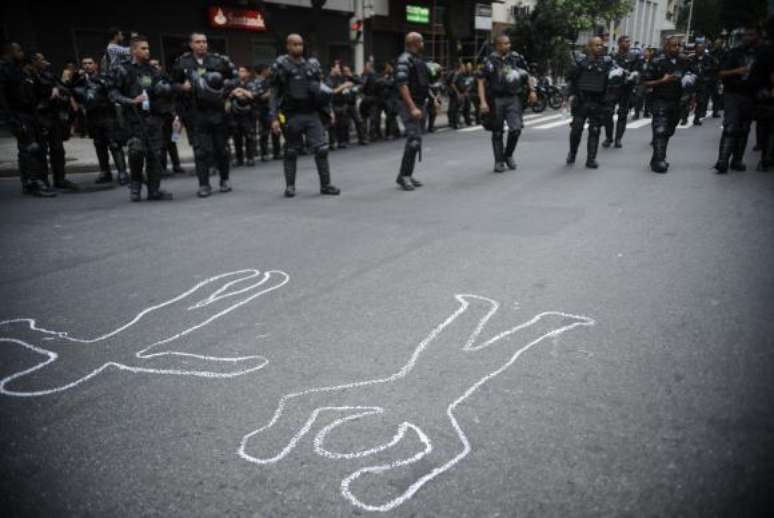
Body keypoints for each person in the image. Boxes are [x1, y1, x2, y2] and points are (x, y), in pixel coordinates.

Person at [269, 33, 340, 198]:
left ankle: (326, 185)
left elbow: (320, 90)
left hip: (312, 113)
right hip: (291, 114)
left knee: (321, 149)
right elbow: (274, 94)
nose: (298, 47)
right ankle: (290, 186)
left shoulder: (311, 65)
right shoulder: (281, 65)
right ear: (288, 46)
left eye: (300, 44)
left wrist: (329, 109)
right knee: (291, 151)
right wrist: (273, 118)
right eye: (294, 44)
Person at [172, 32, 237, 197]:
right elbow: (172, 84)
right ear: (191, 44)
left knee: (221, 149)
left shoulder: (218, 60)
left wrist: (223, 86)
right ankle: (204, 184)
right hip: (196, 113)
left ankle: (224, 179)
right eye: (198, 42)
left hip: (217, 111)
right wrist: (181, 87)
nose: (202, 45)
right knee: (201, 151)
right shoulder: (182, 62)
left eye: (204, 42)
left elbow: (235, 79)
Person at [109, 35, 173, 201]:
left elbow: (165, 91)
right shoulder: (121, 69)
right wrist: (131, 101)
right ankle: (135, 186)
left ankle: (154, 190)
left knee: (155, 154)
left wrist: (165, 91)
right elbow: (113, 93)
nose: (147, 51)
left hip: (153, 119)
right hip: (133, 119)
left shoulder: (153, 71)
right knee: (136, 151)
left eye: (148, 48)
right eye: (143, 48)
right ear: (133, 50)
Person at [0, 41, 55, 197]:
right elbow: (3, 97)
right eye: (19, 51)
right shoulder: (4, 69)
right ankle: (31, 183)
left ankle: (40, 180)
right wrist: (11, 119)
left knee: (40, 148)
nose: (22, 53)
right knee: (28, 149)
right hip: (18, 114)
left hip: (31, 113)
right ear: (9, 51)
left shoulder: (21, 70)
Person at [478, 34, 535, 173]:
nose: (507, 46)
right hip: (495, 99)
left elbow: (527, 74)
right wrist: (483, 102)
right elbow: (480, 81)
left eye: (509, 43)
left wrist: (533, 90)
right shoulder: (488, 60)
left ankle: (508, 154)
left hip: (513, 98)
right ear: (497, 45)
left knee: (516, 129)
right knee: (497, 132)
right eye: (504, 44)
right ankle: (499, 161)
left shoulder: (516, 58)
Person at [74, 55, 129, 185]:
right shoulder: (80, 81)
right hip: (93, 117)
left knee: (114, 144)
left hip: (107, 116)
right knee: (99, 145)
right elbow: (76, 95)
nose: (87, 66)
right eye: (84, 63)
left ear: (95, 65)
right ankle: (105, 172)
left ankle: (122, 172)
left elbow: (113, 92)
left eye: (90, 63)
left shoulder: (103, 78)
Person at [714, 23, 761, 174]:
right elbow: (721, 73)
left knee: (744, 128)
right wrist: (737, 71)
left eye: (751, 35)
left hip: (751, 95)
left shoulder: (763, 54)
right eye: (746, 35)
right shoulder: (734, 53)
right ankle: (722, 160)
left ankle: (737, 160)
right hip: (732, 93)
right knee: (730, 126)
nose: (748, 38)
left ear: (758, 37)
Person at [565, 36, 617, 169]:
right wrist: (568, 96)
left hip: (597, 102)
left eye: (601, 45)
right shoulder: (580, 61)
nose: (600, 47)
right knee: (576, 130)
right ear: (589, 47)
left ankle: (591, 159)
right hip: (581, 101)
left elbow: (617, 75)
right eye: (596, 45)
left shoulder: (607, 62)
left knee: (594, 131)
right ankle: (572, 153)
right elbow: (570, 79)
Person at [643, 36, 693, 173]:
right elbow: (645, 82)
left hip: (677, 101)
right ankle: (659, 161)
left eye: (678, 45)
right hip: (660, 100)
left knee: (668, 131)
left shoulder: (684, 61)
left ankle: (656, 157)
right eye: (673, 45)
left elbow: (692, 77)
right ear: (666, 47)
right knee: (660, 130)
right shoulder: (657, 62)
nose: (676, 48)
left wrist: (690, 82)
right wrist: (662, 80)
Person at [30, 51, 78, 191]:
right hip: (40, 117)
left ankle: (60, 179)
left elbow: (65, 89)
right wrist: (48, 95)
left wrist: (56, 89)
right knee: (40, 150)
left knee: (58, 149)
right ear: (33, 62)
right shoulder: (29, 77)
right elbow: (29, 98)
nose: (45, 62)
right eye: (41, 59)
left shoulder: (49, 75)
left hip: (53, 116)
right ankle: (42, 181)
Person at [394, 32, 435, 191]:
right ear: (415, 43)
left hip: (419, 103)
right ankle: (404, 177)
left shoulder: (418, 61)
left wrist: (434, 99)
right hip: (408, 104)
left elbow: (424, 84)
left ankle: (406, 174)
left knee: (416, 140)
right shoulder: (404, 60)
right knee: (413, 140)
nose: (423, 44)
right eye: (422, 42)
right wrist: (412, 107)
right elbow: (402, 85)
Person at [603, 35, 643, 148]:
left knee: (622, 113)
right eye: (626, 42)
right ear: (619, 43)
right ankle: (609, 137)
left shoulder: (633, 57)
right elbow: (605, 70)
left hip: (626, 88)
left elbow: (639, 71)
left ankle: (618, 139)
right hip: (612, 88)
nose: (628, 44)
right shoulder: (612, 57)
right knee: (608, 112)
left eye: (629, 42)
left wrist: (634, 75)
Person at [148, 58, 185, 176]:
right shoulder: (148, 81)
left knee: (172, 141)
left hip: (169, 114)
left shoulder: (167, 78)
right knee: (160, 143)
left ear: (160, 66)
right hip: (156, 115)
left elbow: (175, 94)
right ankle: (162, 167)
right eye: (152, 66)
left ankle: (176, 165)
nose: (155, 68)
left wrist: (175, 114)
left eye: (156, 65)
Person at [230, 65, 258, 167]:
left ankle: (250, 158)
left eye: (243, 71)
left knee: (249, 136)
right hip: (235, 114)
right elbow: (230, 95)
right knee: (237, 137)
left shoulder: (252, 84)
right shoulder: (233, 83)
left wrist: (241, 91)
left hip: (248, 115)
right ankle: (239, 159)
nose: (240, 73)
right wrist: (236, 92)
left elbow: (252, 95)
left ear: (248, 73)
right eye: (239, 71)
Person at [689, 40, 719, 126]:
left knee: (702, 100)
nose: (700, 49)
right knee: (687, 100)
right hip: (693, 82)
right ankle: (684, 117)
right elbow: (688, 68)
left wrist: (709, 72)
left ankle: (697, 118)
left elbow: (716, 68)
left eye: (702, 48)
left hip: (706, 82)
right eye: (698, 48)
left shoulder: (710, 58)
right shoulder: (692, 58)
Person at [254, 64, 280, 161]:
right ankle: (264, 154)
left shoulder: (270, 82)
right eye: (268, 69)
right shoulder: (257, 82)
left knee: (276, 131)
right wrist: (270, 93)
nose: (270, 71)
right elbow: (259, 97)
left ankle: (276, 153)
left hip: (273, 110)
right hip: (263, 111)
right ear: (263, 70)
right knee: (264, 133)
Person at [326, 62, 354, 150]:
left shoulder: (341, 78)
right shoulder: (329, 79)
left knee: (342, 124)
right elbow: (331, 92)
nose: (339, 70)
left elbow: (346, 87)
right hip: (333, 104)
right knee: (333, 125)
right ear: (332, 68)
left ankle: (341, 142)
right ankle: (332, 143)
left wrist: (347, 88)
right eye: (337, 68)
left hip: (342, 103)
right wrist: (343, 86)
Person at [342, 65, 367, 145]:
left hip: (352, 103)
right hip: (344, 103)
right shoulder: (341, 78)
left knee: (359, 121)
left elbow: (362, 82)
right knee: (345, 123)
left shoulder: (354, 77)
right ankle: (345, 140)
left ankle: (362, 139)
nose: (347, 72)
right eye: (345, 71)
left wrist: (351, 77)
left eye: (348, 71)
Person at [710, 38, 727, 117]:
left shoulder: (724, 53)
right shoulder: (711, 52)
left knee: (718, 93)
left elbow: (725, 64)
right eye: (715, 43)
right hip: (711, 75)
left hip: (720, 75)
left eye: (718, 43)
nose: (716, 45)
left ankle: (716, 111)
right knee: (712, 93)